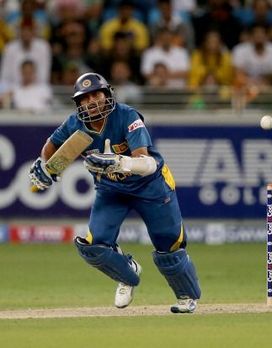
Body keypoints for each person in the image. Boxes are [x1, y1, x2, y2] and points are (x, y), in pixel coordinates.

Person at [28, 72, 201, 313]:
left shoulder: (127, 115)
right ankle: (128, 272)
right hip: (111, 189)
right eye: (84, 98)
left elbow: (147, 162)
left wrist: (119, 162)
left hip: (149, 185)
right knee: (93, 244)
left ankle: (186, 297)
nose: (91, 101)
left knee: (169, 245)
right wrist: (45, 165)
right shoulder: (74, 123)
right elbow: (52, 145)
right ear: (78, 104)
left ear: (107, 94)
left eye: (96, 94)